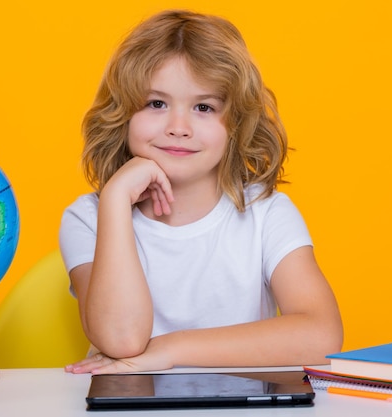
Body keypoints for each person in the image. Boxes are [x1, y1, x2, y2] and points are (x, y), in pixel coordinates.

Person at [59, 9, 343, 375]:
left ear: (236, 125)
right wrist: (114, 199)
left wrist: (172, 348)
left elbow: (321, 335)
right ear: (123, 115)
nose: (179, 127)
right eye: (156, 103)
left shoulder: (266, 212)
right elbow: (122, 340)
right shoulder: (88, 217)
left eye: (204, 107)